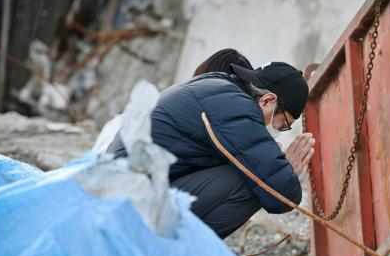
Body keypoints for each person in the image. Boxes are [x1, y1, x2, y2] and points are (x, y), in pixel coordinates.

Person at [109, 60, 315, 238]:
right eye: (284, 122)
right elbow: (280, 194)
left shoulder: (219, 87)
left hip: (119, 194)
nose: (280, 129)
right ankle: (172, 255)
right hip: (127, 206)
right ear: (267, 100)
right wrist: (288, 170)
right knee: (251, 180)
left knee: (247, 169)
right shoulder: (237, 109)